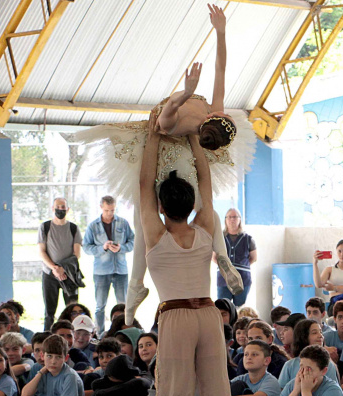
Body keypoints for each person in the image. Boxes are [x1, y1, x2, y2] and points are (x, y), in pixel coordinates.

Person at [76, 6, 254, 326]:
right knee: (202, 207)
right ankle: (221, 257)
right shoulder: (213, 111)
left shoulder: (189, 121)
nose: (224, 111)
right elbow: (221, 70)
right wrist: (221, 33)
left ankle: (135, 287)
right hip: (185, 157)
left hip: (165, 156)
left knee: (147, 216)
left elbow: (164, 118)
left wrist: (184, 94)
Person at [134, 101, 234, 396]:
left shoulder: (155, 231)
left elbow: (143, 182)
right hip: (209, 314)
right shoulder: (207, 224)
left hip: (174, 316)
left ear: (161, 205)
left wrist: (155, 134)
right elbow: (207, 181)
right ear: (191, 204)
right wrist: (195, 137)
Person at [83, 195, 135, 333]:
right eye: (107, 210)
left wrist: (121, 248)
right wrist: (103, 248)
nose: (110, 213)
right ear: (101, 207)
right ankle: (99, 334)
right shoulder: (93, 226)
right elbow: (86, 247)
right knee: (100, 306)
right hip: (101, 271)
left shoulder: (123, 223)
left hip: (121, 270)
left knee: (123, 305)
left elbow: (133, 242)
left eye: (112, 210)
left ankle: (124, 332)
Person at [38, 197, 83, 331]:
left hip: (69, 275)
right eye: (58, 207)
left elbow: (77, 254)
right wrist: (55, 268)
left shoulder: (73, 228)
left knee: (72, 311)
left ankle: (73, 336)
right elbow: (41, 251)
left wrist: (63, 269)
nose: (60, 210)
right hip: (49, 275)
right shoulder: (45, 227)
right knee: (49, 312)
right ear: (53, 208)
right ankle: (46, 337)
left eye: (63, 207)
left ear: (67, 209)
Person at [216, 208, 256, 307]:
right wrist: (226, 268)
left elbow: (254, 257)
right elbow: (214, 256)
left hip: (243, 279)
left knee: (239, 307)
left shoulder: (248, 238)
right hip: (223, 279)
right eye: (229, 217)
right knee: (223, 307)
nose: (232, 220)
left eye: (234, 217)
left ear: (239, 219)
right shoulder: (219, 238)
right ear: (225, 220)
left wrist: (240, 266)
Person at [313, 239, 343, 304]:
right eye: (339, 251)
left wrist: (334, 288)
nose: (342, 254)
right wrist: (315, 263)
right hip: (335, 302)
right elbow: (318, 284)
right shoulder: (329, 270)